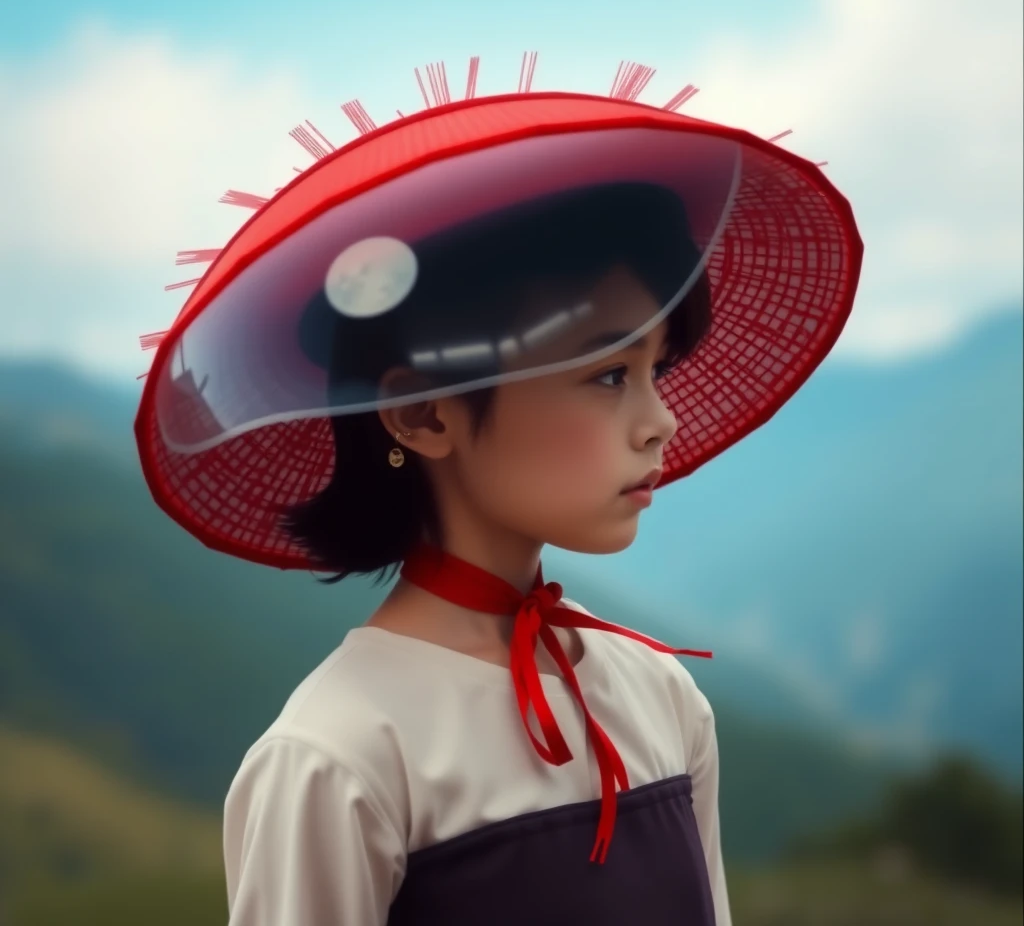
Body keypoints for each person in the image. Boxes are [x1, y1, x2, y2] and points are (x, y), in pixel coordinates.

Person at [134, 60, 863, 925]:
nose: (660, 421)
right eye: (605, 376)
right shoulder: (340, 755)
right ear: (422, 414)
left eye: (654, 369)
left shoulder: (659, 695)